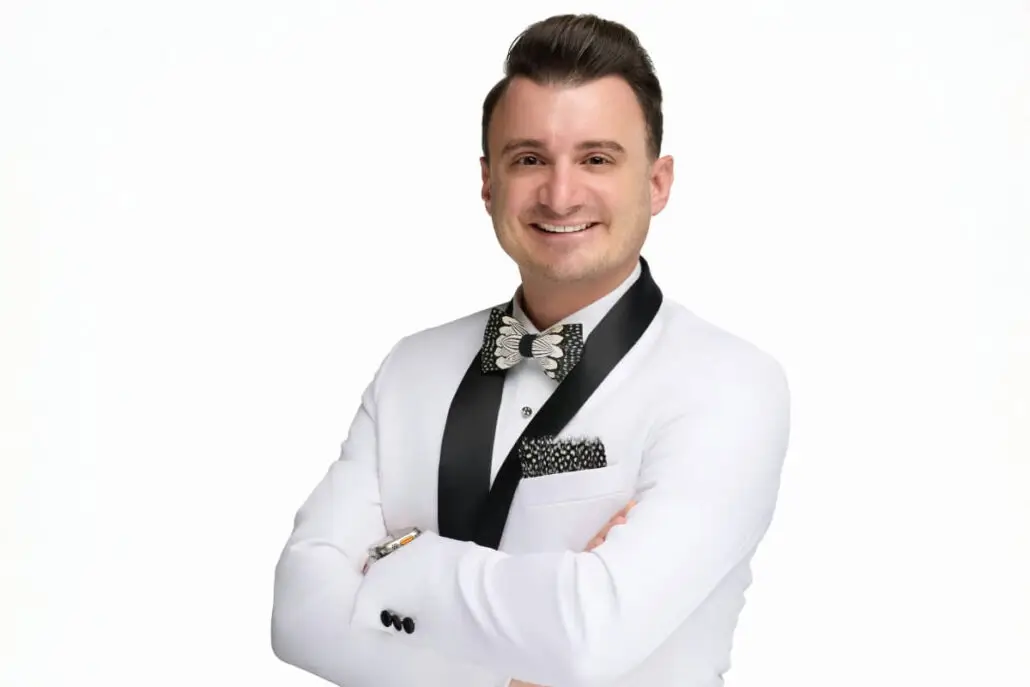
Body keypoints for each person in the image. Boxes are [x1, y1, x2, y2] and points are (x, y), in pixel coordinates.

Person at [270, 13, 790, 687]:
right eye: (529, 159)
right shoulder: (411, 368)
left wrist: (397, 564)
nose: (560, 194)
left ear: (657, 183)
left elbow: (591, 635)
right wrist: (526, 652)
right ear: (489, 182)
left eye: (596, 159)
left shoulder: (730, 385)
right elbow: (298, 612)